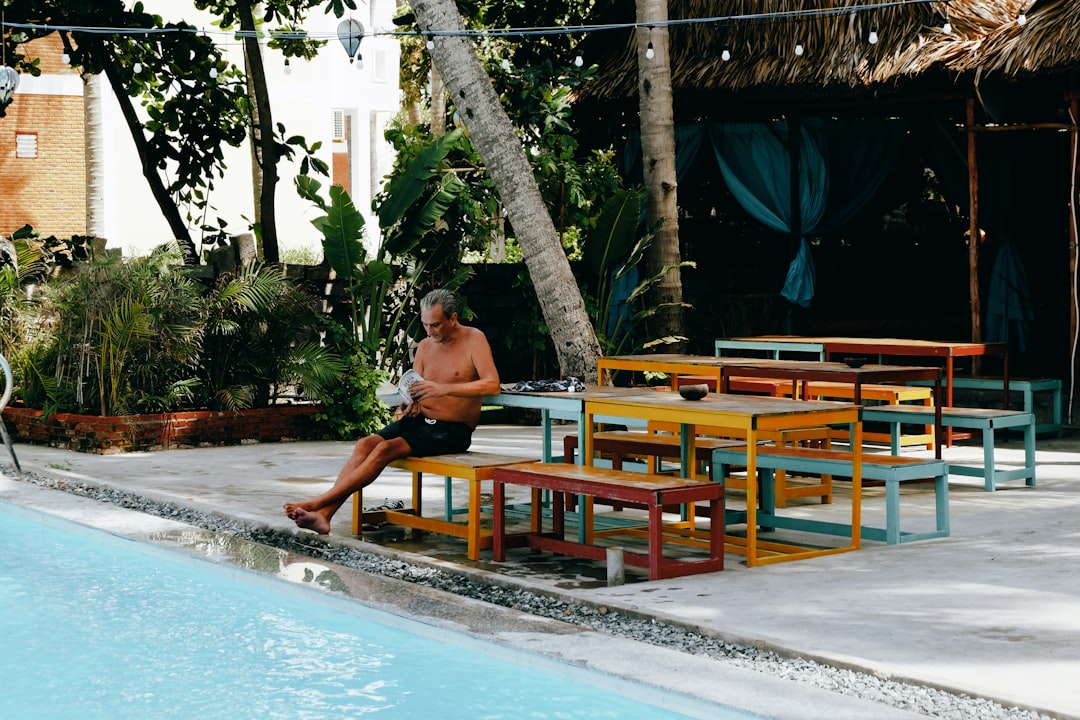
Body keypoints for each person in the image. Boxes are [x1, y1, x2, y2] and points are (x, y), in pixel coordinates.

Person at [284, 289, 501, 534]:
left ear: (453, 318)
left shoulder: (474, 339)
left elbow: (492, 383)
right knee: (365, 444)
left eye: (436, 325)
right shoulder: (426, 346)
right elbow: (413, 386)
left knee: (386, 449)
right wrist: (408, 404)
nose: (429, 332)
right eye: (425, 325)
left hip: (452, 429)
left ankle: (318, 502)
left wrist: (442, 389)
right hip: (420, 420)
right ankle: (324, 515)